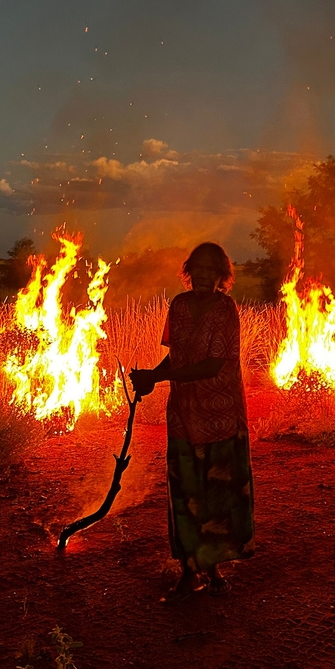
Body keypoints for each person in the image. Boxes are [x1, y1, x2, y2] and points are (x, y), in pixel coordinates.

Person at [130, 242, 255, 601]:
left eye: (210, 270)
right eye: (196, 268)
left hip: (220, 417)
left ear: (222, 277)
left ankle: (213, 567)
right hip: (184, 415)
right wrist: (151, 376)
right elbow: (176, 356)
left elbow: (214, 365)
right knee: (184, 494)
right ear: (188, 272)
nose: (203, 275)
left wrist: (159, 379)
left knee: (216, 496)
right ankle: (188, 568)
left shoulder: (227, 310)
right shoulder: (179, 307)